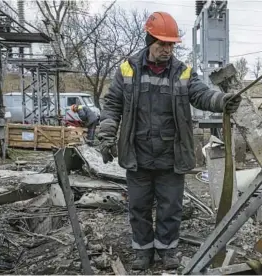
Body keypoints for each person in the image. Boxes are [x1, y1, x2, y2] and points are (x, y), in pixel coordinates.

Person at [98, 11, 242, 271]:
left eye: (170, 44)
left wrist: (222, 101)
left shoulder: (183, 72)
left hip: (171, 155)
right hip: (137, 154)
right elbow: (112, 105)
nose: (166, 49)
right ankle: (143, 251)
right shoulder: (127, 69)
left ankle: (167, 250)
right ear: (149, 41)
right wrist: (106, 136)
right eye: (161, 44)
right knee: (139, 207)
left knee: (170, 208)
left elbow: (200, 95)